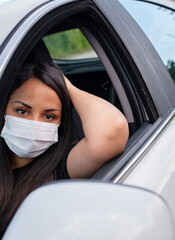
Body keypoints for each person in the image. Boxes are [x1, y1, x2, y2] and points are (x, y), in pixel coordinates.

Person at [0, 61, 129, 236]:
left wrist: (66, 86)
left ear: (60, 123)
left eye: (49, 116)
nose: (35, 124)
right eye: (22, 111)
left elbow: (113, 130)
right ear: (4, 111)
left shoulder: (61, 166)